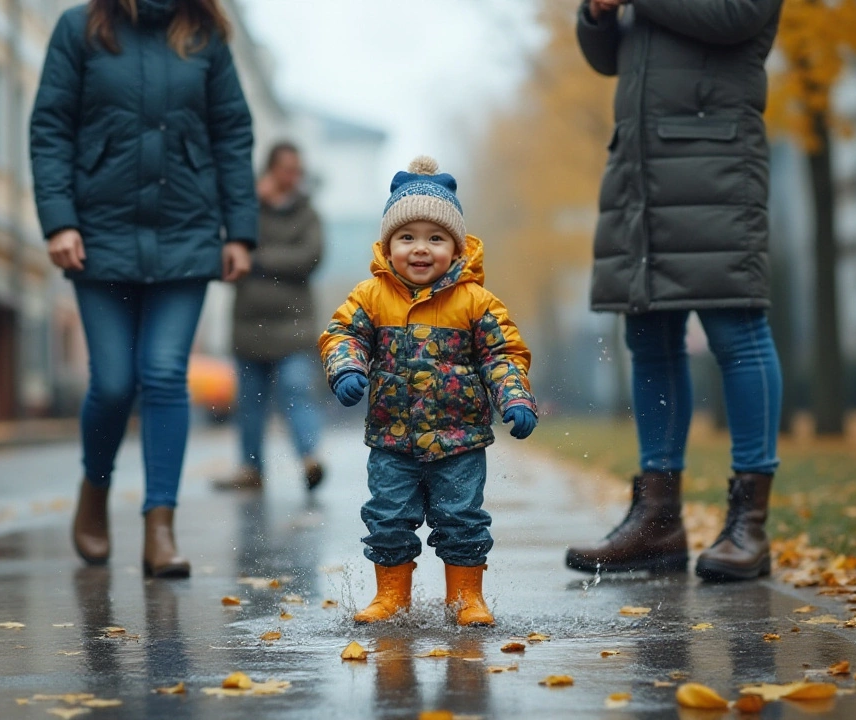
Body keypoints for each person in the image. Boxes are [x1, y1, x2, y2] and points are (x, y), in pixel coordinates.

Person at [30, 0, 256, 577]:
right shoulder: (80, 27)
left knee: (161, 373)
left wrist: (240, 231)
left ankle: (161, 527)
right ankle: (94, 490)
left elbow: (232, 133)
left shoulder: (203, 33)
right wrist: (59, 220)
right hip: (99, 233)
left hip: (186, 232)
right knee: (111, 384)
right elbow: (52, 125)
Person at [565, 0, 785, 581]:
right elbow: (605, 58)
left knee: (736, 327)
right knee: (648, 334)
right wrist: (596, 14)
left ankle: (750, 527)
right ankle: (658, 520)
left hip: (714, 162)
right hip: (639, 168)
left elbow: (739, 15)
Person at [319, 157, 538, 627]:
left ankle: (466, 599)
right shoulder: (371, 296)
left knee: (461, 518)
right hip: (392, 440)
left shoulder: (476, 302)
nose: (421, 249)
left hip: (460, 441)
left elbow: (503, 354)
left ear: (456, 249)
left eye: (435, 238)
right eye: (408, 237)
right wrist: (347, 367)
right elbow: (343, 334)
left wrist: (515, 397)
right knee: (389, 517)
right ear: (388, 245)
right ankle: (391, 596)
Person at [215, 142, 325, 492]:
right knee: (250, 402)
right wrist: (249, 202)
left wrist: (259, 261)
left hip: (294, 326)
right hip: (249, 325)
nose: (294, 177)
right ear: (271, 170)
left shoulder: (307, 213)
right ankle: (250, 469)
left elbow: (309, 257)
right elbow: (227, 252)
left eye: (298, 170)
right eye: (287, 169)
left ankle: (310, 458)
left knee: (296, 390)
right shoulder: (247, 208)